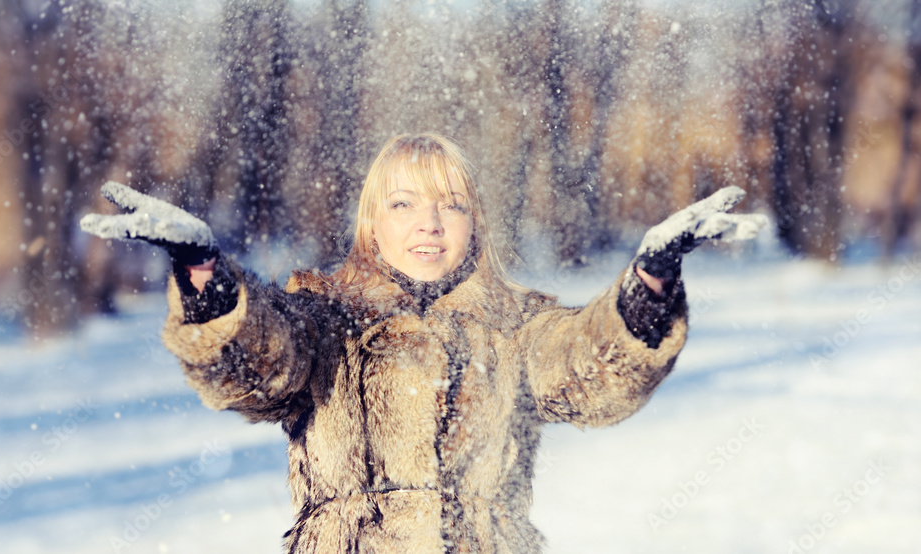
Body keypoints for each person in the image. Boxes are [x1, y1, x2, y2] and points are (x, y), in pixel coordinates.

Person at [80, 133, 766, 552]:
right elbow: (259, 361)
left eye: (452, 205)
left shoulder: (518, 326)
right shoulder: (325, 317)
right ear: (372, 223)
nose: (430, 223)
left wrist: (649, 280)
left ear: (477, 223)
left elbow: (592, 369)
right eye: (404, 203)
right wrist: (204, 274)